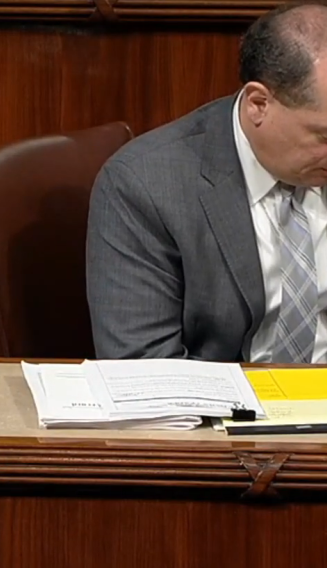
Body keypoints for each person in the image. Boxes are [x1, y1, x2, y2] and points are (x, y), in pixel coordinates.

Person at [86, 0, 327, 363]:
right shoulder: (145, 186)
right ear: (258, 104)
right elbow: (143, 366)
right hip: (225, 411)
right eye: (323, 136)